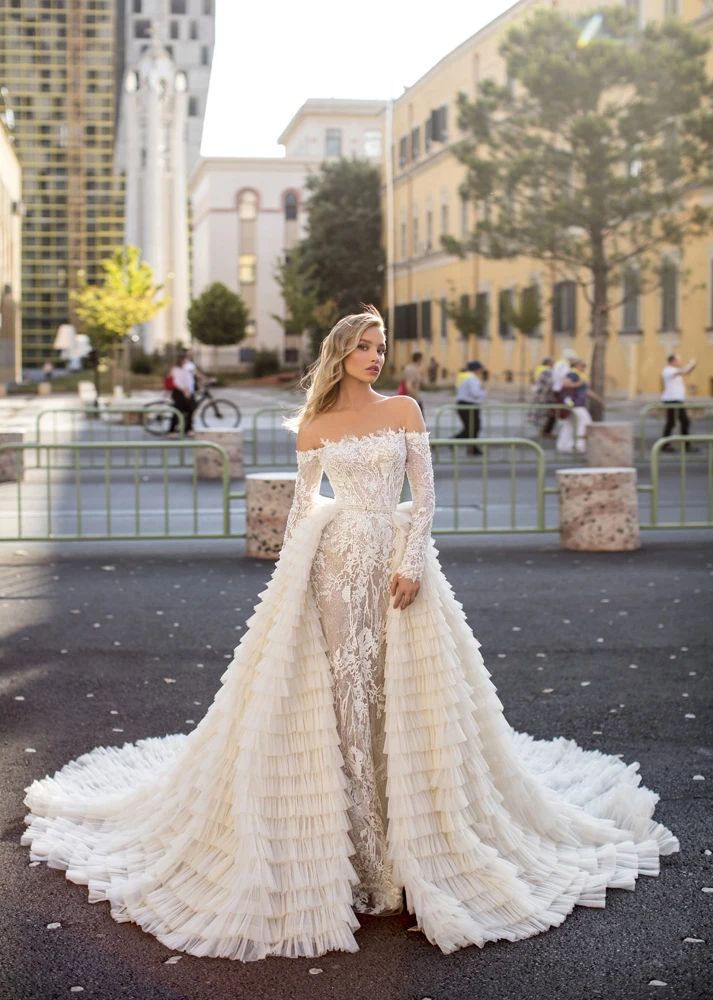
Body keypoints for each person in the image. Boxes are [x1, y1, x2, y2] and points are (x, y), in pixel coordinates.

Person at [22, 306, 678, 963]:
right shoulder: (313, 425)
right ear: (340, 353)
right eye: (364, 346)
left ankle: (411, 844)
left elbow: (422, 498)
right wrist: (298, 582)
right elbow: (305, 504)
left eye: (380, 345)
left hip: (395, 562)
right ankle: (359, 848)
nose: (375, 355)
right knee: (345, 690)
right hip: (334, 566)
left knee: (411, 694)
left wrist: (410, 561)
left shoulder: (402, 411)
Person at [556, 359, 604, 455]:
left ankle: (563, 445)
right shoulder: (573, 374)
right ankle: (579, 445)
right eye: (582, 366)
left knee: (570, 424)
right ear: (576, 365)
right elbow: (565, 383)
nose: (583, 368)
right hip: (575, 403)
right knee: (585, 422)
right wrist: (577, 384)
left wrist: (599, 399)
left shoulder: (580, 376)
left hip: (577, 403)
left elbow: (586, 390)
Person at [661, 353, 697, 452]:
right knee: (679, 422)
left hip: (676, 400)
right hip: (672, 401)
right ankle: (682, 445)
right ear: (672, 361)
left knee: (674, 422)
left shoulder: (674, 371)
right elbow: (684, 371)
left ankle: (668, 445)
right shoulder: (668, 370)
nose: (680, 361)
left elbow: (686, 372)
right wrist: (691, 363)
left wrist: (692, 366)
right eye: (678, 359)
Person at [455, 359, 487, 455]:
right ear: (476, 369)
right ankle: (456, 442)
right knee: (474, 427)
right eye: (480, 369)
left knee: (470, 428)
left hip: (462, 404)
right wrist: (484, 392)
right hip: (470, 405)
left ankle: (472, 447)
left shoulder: (462, 376)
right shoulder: (472, 379)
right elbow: (475, 393)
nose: (481, 371)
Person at [167, 351, 195, 437]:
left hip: (187, 391)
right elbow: (177, 382)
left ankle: (188, 428)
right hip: (180, 393)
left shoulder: (185, 367)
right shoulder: (177, 369)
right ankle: (172, 430)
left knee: (189, 410)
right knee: (178, 411)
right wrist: (185, 391)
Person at [529, 357, 555, 436]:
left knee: (538, 413)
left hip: (537, 394)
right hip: (543, 395)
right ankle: (544, 431)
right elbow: (550, 382)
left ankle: (542, 430)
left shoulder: (538, 369)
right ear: (548, 363)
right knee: (544, 413)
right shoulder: (546, 370)